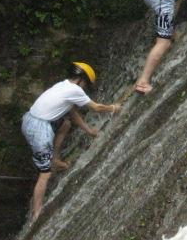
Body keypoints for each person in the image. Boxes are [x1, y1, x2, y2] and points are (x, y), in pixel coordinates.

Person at [20, 62, 122, 221]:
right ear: (82, 80)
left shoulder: (63, 85)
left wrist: (88, 130)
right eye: (86, 85)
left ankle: (55, 159)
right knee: (45, 174)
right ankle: (37, 213)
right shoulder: (75, 90)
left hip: (29, 121)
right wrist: (113, 108)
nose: (85, 88)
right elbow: (97, 108)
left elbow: (71, 112)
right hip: (40, 129)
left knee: (65, 124)